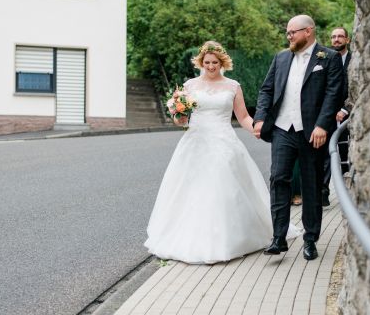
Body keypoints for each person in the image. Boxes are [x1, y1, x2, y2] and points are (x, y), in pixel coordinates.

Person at [145, 41, 299, 264]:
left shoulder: (233, 86)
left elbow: (243, 116)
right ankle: (192, 237)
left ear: (222, 63)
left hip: (224, 142)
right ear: (201, 62)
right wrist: (178, 114)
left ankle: (229, 238)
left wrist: (258, 130)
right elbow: (182, 121)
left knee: (223, 185)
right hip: (195, 142)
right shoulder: (189, 86)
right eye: (207, 62)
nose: (210, 66)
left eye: (215, 63)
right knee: (190, 188)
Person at [253, 15, 343, 260]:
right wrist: (260, 118)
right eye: (288, 32)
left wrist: (322, 125)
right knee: (278, 179)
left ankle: (310, 239)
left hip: (311, 132)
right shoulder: (281, 58)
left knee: (311, 185)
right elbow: (267, 90)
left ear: (308, 31)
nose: (289, 36)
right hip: (282, 129)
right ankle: (278, 238)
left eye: (293, 32)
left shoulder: (329, 58)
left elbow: (334, 93)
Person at [320, 27, 352, 207]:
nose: (336, 39)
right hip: (327, 115)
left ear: (347, 40)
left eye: (340, 36)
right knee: (325, 155)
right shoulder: (324, 58)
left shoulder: (355, 60)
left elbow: (357, 87)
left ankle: (348, 192)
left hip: (347, 116)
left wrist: (345, 110)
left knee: (346, 154)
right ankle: (323, 192)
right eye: (333, 37)